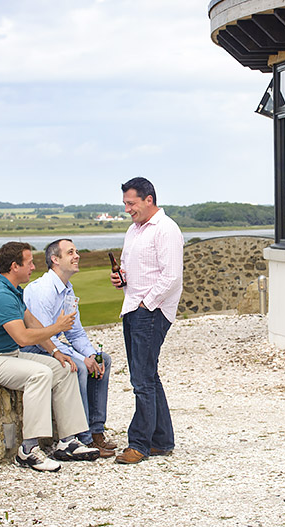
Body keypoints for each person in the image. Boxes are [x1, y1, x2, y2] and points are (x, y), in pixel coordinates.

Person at [0, 241, 100, 472]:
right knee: (40, 374)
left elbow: (32, 323)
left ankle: (68, 440)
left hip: (8, 356)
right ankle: (27, 451)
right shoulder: (0, 294)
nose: (33, 267)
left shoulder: (14, 290)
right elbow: (23, 337)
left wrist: (57, 352)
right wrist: (57, 327)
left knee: (64, 367)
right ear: (14, 266)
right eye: (28, 263)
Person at [110, 177, 184, 465]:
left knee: (141, 380)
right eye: (126, 204)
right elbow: (132, 269)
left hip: (150, 312)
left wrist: (146, 304)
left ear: (148, 199)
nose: (128, 209)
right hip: (132, 308)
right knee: (149, 376)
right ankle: (162, 440)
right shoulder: (133, 230)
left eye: (131, 203)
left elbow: (171, 276)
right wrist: (121, 278)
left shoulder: (166, 229)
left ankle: (139, 444)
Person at [21, 238, 117, 457]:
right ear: (55, 260)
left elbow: (75, 332)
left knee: (104, 360)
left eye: (76, 251)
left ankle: (96, 431)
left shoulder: (67, 290)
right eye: (70, 253)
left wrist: (92, 354)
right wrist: (82, 359)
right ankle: (82, 437)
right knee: (80, 366)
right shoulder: (42, 290)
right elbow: (43, 337)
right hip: (36, 348)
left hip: (52, 345)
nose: (77, 256)